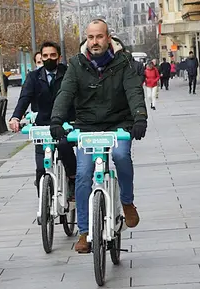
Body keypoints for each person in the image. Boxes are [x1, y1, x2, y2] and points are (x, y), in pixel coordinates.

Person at [50, 19, 147, 253]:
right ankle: (84, 231)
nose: (95, 42)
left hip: (119, 123)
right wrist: (56, 119)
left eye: (99, 37)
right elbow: (66, 92)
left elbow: (134, 91)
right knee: (83, 174)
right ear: (87, 39)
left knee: (121, 156)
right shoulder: (76, 64)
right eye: (91, 37)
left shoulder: (123, 62)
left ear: (108, 37)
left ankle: (127, 201)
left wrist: (140, 117)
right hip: (87, 126)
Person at [9, 41, 77, 194]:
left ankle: (73, 179)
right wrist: (15, 117)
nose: (49, 58)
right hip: (43, 125)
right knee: (41, 167)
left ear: (59, 57)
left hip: (65, 123)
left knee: (65, 147)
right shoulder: (34, 77)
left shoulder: (68, 73)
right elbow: (24, 98)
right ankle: (43, 201)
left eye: (53, 55)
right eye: (45, 55)